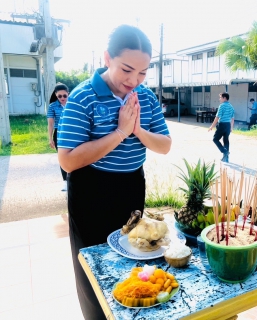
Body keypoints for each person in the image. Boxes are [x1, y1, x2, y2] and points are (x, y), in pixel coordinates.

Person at [57, 25, 172, 320]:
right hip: (91, 189)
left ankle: (130, 310)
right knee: (93, 265)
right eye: (127, 69)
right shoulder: (83, 96)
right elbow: (68, 161)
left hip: (132, 185)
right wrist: (121, 132)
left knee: (131, 256)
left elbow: (165, 144)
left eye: (143, 73)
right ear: (108, 58)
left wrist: (138, 131)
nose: (134, 81)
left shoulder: (144, 98)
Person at [47, 83, 69, 191]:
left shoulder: (73, 103)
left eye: (64, 95)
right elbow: (50, 124)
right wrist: (50, 138)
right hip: (59, 134)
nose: (62, 98)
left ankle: (74, 180)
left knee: (76, 156)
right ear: (56, 95)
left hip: (73, 133)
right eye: (59, 96)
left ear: (68, 94)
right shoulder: (52, 106)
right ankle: (65, 181)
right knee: (63, 157)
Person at [208, 92, 234, 163]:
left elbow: (217, 117)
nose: (219, 99)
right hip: (228, 125)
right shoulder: (231, 106)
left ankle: (224, 151)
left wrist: (211, 126)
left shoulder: (222, 106)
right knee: (226, 140)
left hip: (222, 124)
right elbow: (232, 118)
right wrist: (231, 127)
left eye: (220, 97)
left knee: (215, 139)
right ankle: (226, 158)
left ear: (224, 98)